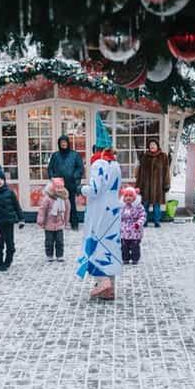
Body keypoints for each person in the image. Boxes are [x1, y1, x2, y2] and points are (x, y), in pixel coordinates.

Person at [77, 113, 122, 300]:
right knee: (110, 245)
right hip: (113, 209)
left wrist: (81, 189)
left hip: (99, 210)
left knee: (95, 243)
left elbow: (95, 189)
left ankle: (102, 279)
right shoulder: (116, 164)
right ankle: (110, 289)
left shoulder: (99, 164)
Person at [0, 166, 25, 271]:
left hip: (9, 222)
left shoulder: (10, 192)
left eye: (1, 179)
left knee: (10, 245)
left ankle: (8, 261)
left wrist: (21, 219)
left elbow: (17, 206)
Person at [47, 135, 84, 230]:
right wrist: (52, 177)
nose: (63, 144)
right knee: (56, 204)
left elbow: (80, 168)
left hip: (70, 183)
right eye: (61, 142)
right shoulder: (55, 155)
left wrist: (74, 176)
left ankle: (74, 223)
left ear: (68, 143)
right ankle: (58, 224)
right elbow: (50, 168)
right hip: (58, 184)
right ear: (59, 144)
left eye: (65, 142)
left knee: (71, 204)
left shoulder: (74, 155)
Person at [135, 138, 170, 228]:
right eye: (150, 145)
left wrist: (166, 184)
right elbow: (140, 173)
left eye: (154, 144)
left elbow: (166, 172)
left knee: (156, 205)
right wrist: (138, 185)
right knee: (145, 204)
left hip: (158, 186)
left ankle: (157, 221)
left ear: (157, 146)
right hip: (146, 186)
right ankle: (144, 221)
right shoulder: (145, 157)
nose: (152, 146)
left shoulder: (163, 156)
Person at [37, 178, 71, 262]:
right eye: (57, 187)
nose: (59, 190)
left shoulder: (64, 199)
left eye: (61, 187)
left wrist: (66, 221)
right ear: (53, 188)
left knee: (60, 241)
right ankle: (49, 255)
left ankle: (60, 255)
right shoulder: (48, 199)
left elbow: (67, 211)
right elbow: (42, 210)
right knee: (49, 241)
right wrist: (41, 221)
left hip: (59, 224)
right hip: (49, 224)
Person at [120, 187, 146, 265]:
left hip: (135, 230)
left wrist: (138, 223)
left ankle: (135, 258)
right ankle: (125, 258)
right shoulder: (122, 206)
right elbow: (118, 216)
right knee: (124, 246)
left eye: (130, 196)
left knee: (135, 246)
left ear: (134, 197)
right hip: (124, 230)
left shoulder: (138, 206)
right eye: (126, 196)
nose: (128, 198)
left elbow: (143, 216)